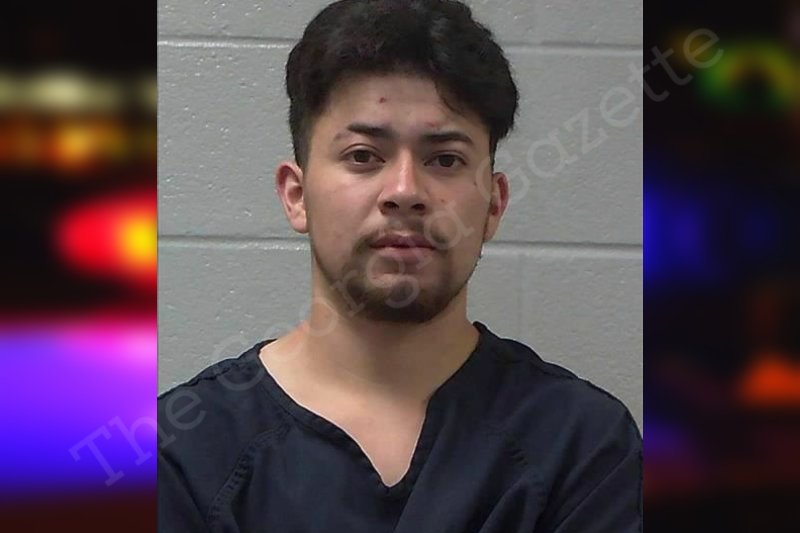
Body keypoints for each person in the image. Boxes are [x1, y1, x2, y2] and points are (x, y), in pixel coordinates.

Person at [157, 1, 642, 531]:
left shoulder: (583, 446)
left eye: (445, 159)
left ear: (494, 204)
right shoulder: (184, 453)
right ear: (297, 196)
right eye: (363, 156)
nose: (405, 191)